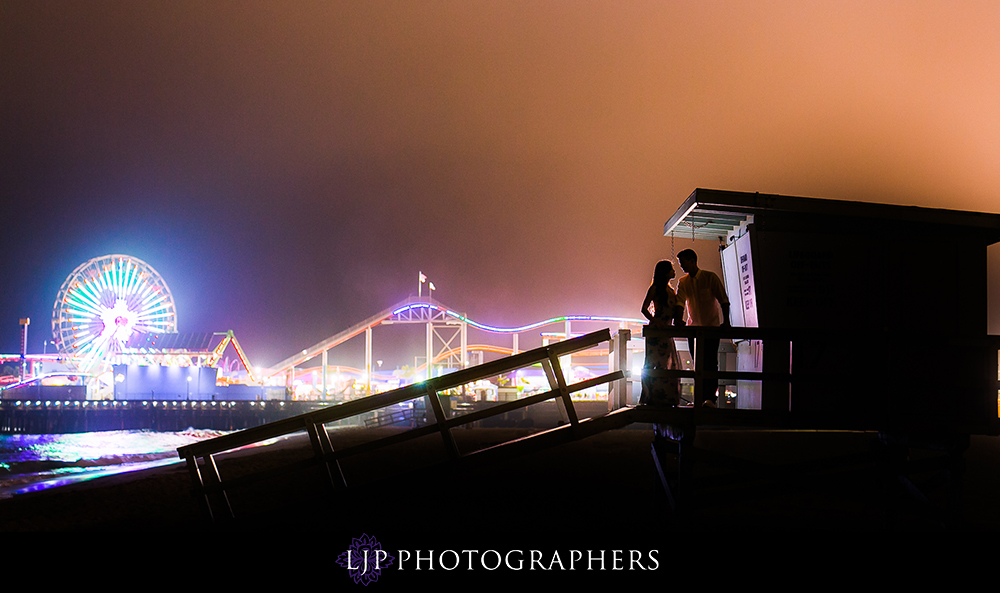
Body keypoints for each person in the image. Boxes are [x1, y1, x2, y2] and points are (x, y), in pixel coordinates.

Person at [675, 249, 730, 407]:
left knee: (710, 364)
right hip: (695, 330)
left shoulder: (710, 278)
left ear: (692, 261)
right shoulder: (683, 282)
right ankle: (703, 399)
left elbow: (723, 300)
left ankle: (709, 399)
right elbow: (680, 302)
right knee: (698, 365)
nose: (682, 266)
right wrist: (679, 319)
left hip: (710, 328)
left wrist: (726, 322)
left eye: (683, 262)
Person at [639, 260, 685, 406]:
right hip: (658, 331)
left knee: (666, 363)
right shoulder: (655, 289)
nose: (674, 271)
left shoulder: (670, 290)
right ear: (664, 272)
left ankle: (664, 397)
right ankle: (652, 396)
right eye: (671, 269)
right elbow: (644, 308)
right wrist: (655, 320)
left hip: (666, 330)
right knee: (655, 363)